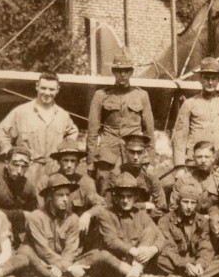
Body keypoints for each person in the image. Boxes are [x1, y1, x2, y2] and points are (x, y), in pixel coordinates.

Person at [0, 71, 79, 191]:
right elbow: (0, 133)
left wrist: (64, 151)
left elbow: (73, 132)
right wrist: (12, 155)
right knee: (28, 204)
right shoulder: (21, 112)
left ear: (58, 89)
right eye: (43, 88)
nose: (47, 93)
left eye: (51, 89)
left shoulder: (63, 115)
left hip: (54, 170)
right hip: (28, 170)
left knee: (52, 203)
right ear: (37, 86)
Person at [86, 51, 155, 194]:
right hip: (108, 155)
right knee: (106, 193)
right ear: (113, 72)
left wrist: (150, 161)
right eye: (118, 71)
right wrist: (91, 161)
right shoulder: (101, 96)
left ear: (131, 72)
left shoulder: (142, 96)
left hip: (134, 155)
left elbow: (149, 132)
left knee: (135, 194)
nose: (122, 75)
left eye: (126, 71)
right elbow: (92, 131)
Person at [95, 172, 167, 277]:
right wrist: (131, 250)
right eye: (122, 196)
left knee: (150, 231)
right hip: (117, 265)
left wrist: (153, 249)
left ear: (135, 197)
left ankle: (135, 273)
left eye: (129, 196)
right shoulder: (106, 214)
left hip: (138, 261)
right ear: (115, 198)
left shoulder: (141, 214)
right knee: (103, 254)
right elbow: (110, 240)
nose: (125, 200)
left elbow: (160, 236)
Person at [24, 172, 97, 277]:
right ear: (50, 197)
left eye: (67, 195)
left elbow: (70, 249)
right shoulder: (36, 217)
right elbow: (42, 250)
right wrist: (67, 268)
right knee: (26, 250)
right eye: (60, 195)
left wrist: (59, 266)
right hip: (39, 260)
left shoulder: (73, 219)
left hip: (59, 263)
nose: (65, 199)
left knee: (96, 254)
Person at [172, 56, 219, 166]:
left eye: (214, 78)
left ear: (218, 80)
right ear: (200, 79)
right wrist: (179, 166)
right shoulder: (189, 104)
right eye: (207, 78)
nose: (210, 82)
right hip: (195, 160)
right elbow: (179, 138)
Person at [156, 175, 219, 277]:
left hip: (196, 259)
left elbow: (206, 246)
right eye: (185, 202)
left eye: (193, 202)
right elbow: (169, 249)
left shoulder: (203, 221)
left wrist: (200, 264)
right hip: (178, 261)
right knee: (160, 259)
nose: (189, 207)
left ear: (197, 204)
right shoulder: (165, 221)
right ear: (178, 201)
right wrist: (185, 265)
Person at [49, 139, 106, 248]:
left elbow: (101, 204)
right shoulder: (49, 180)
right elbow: (42, 210)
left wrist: (87, 214)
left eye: (73, 161)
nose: (69, 165)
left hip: (78, 232)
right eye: (65, 160)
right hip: (54, 231)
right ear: (58, 161)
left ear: (78, 162)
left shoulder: (86, 181)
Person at [168, 142, 219, 213]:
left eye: (207, 157)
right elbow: (173, 207)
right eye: (199, 157)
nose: (203, 161)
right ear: (194, 158)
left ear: (213, 158)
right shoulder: (183, 180)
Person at [0, 144, 39, 230]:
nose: (19, 171)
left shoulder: (28, 186)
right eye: (15, 165)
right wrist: (21, 215)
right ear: (7, 163)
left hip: (17, 229)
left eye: (24, 166)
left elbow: (34, 213)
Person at [119, 132, 168, 215]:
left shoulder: (150, 175)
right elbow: (112, 204)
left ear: (145, 153)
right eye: (131, 152)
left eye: (139, 152)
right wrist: (143, 205)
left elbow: (161, 207)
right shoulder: (118, 172)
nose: (135, 157)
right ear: (125, 152)